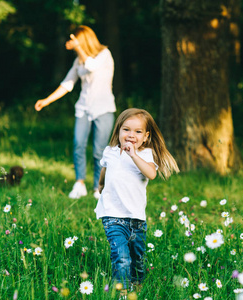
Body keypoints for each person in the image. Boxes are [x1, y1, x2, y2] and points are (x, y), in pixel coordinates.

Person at [95, 108, 179, 295]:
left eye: (138, 132)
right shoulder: (110, 151)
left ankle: (137, 282)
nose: (131, 135)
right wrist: (100, 184)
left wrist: (133, 154)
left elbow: (151, 173)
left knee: (137, 257)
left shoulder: (146, 154)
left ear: (146, 136)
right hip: (112, 214)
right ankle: (122, 292)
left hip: (136, 218)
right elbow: (105, 168)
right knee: (122, 257)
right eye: (126, 130)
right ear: (118, 131)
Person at [35, 25, 116, 199]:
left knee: (99, 150)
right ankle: (79, 184)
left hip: (104, 109)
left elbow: (92, 66)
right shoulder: (78, 61)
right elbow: (67, 83)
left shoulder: (104, 55)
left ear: (84, 40)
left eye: (76, 40)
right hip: (83, 108)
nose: (73, 44)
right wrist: (46, 100)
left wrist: (78, 46)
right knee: (78, 144)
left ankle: (98, 188)